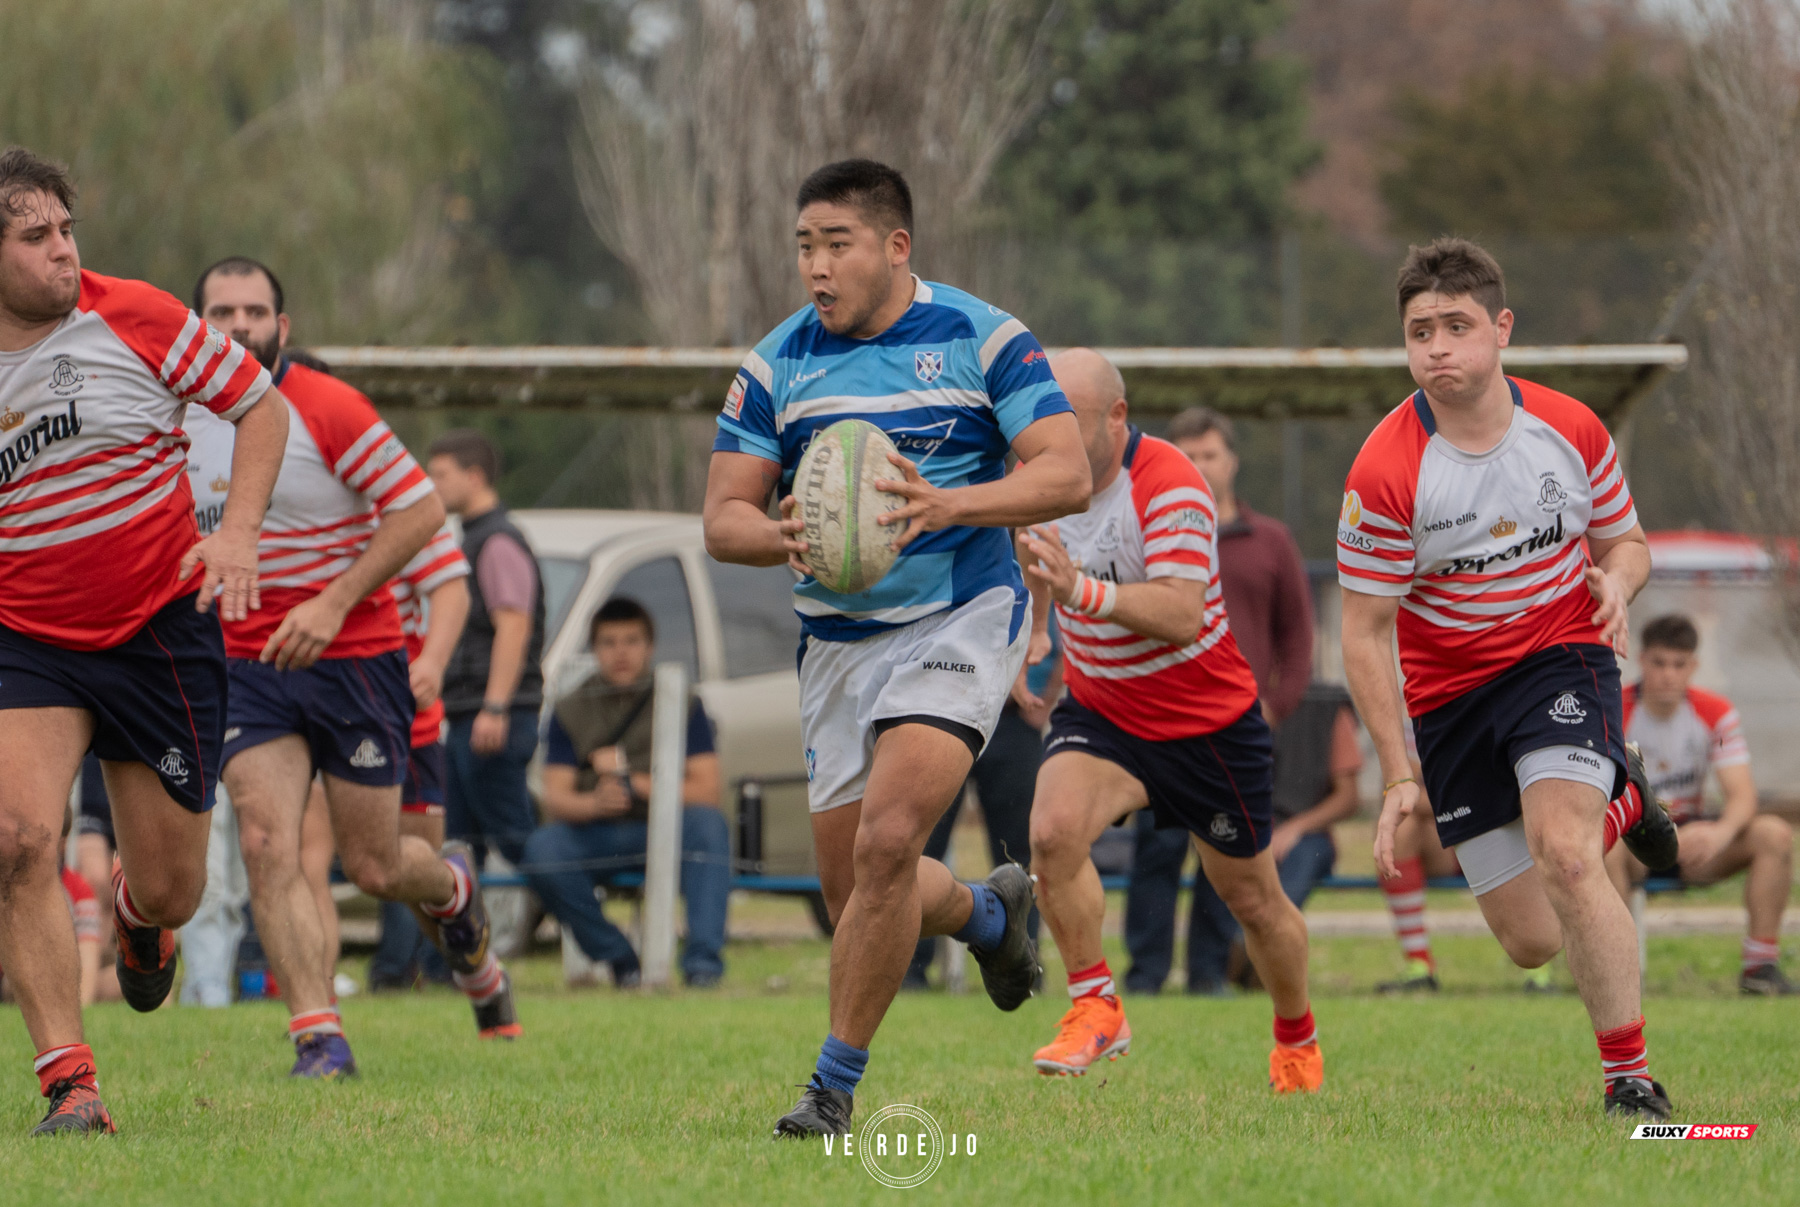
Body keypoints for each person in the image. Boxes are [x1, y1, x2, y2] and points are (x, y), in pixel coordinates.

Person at [704, 159, 1090, 1137]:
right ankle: (987, 917)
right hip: (835, 641)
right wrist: (787, 532)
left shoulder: (983, 338)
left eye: (837, 245)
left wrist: (950, 503)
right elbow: (723, 519)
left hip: (960, 613)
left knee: (885, 843)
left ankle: (831, 1089)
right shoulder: (776, 365)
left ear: (895, 247)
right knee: (854, 891)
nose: (817, 268)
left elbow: (1066, 471)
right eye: (805, 247)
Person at [1338, 237, 1680, 1121]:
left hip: (1560, 655)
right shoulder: (1384, 471)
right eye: (1420, 331)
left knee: (1568, 855)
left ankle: (1630, 1083)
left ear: (1502, 329)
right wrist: (1398, 776)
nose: (1438, 347)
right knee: (1531, 939)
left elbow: (1629, 543)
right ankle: (1626, 800)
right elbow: (1365, 636)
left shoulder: (1570, 429)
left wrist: (1618, 580)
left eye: (1457, 326)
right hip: (1452, 697)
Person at [0, 147, 289, 1135]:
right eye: (36, 237)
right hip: (25, 639)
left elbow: (261, 402)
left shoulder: (133, 315)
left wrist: (240, 530)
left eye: (67, 230)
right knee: (17, 840)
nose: (63, 252)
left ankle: (135, 915)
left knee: (174, 884)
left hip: (157, 628)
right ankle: (69, 1083)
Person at [199, 256, 515, 1080]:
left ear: (283, 326)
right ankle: (319, 1036)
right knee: (269, 840)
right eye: (221, 312)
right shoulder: (177, 416)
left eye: (255, 312)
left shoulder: (327, 406)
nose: (238, 328)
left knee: (379, 867)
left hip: (358, 657)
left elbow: (423, 512)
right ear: (198, 325)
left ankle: (452, 891)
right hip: (249, 661)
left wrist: (337, 603)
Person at [1022, 349, 1322, 1090]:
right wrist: (1035, 632)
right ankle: (1096, 1003)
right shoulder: (1045, 474)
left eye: (1070, 420)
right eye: (1041, 418)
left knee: (1254, 900)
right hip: (1103, 712)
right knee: (1052, 834)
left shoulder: (1171, 484)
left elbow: (1181, 613)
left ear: (1117, 417)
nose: (1049, 435)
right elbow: (1041, 559)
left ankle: (1296, 1035)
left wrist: (1077, 593)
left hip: (1207, 727)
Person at [1125, 406, 1316, 994]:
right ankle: (1147, 975)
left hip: (1237, 728)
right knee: (1156, 853)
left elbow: (1298, 638)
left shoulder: (1272, 542)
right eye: (1188, 456)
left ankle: (1208, 974)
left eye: (1210, 454)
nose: (1200, 467)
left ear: (1231, 460)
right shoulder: (1149, 530)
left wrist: (1275, 707)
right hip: (1162, 720)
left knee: (1227, 859)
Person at [522, 597, 731, 987]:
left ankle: (703, 966)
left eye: (632, 641)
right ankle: (620, 958)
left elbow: (707, 790)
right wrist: (594, 803)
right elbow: (556, 797)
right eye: (609, 642)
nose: (621, 652)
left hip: (665, 827)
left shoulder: (685, 702)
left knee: (709, 826)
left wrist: (636, 785)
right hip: (599, 832)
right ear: (594, 648)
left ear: (650, 646)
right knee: (542, 850)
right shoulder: (570, 708)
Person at [1609, 614, 1795, 994]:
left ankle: (1759, 968)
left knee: (1773, 834)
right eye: (1659, 663)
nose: (1668, 675)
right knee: (1604, 846)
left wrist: (1719, 833)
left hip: (1692, 842)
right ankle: (1613, 970)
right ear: (1641, 660)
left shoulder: (1715, 712)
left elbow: (1743, 796)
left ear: (1693, 666)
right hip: (1633, 842)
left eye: (1679, 664)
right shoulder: (1614, 710)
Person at [426, 430, 545, 873]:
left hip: (491, 715)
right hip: (468, 713)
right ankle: (465, 943)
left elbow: (514, 626)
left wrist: (495, 707)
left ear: (474, 477)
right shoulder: (475, 538)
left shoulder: (496, 540)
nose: (431, 484)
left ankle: (596, 935)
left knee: (517, 842)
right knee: (460, 843)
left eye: (441, 474)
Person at [367, 522, 470, 992]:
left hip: (404, 719)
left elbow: (452, 586)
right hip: (314, 707)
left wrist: (431, 661)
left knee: (402, 865)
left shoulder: (397, 505)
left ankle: (465, 966)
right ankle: (318, 1017)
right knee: (287, 851)